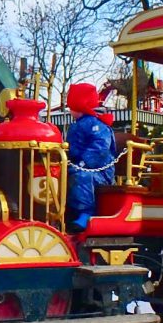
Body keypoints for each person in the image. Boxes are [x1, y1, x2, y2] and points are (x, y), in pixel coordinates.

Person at [64, 83, 116, 232]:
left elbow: (100, 147)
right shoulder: (79, 124)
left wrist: (83, 162)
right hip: (79, 164)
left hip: (98, 170)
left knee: (81, 176)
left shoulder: (96, 125)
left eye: (71, 107)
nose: (70, 110)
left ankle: (86, 212)